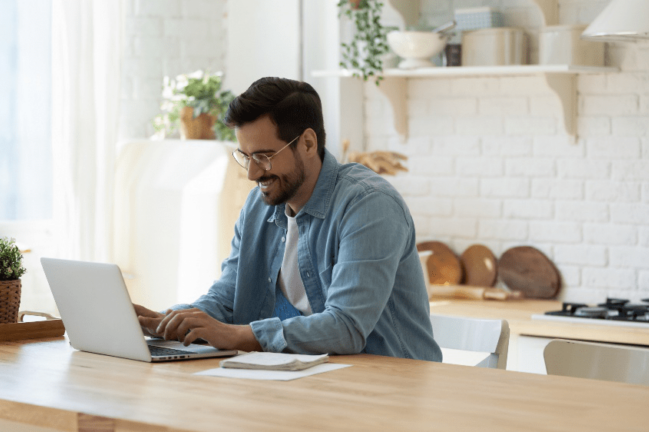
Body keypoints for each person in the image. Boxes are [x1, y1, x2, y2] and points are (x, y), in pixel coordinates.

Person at [134, 77, 441, 361]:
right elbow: (230, 296)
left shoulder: (369, 205)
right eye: (245, 156)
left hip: (393, 388)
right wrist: (167, 321)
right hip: (315, 380)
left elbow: (347, 326)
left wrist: (237, 336)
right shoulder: (259, 205)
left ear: (307, 143)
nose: (252, 173)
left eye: (264, 156)